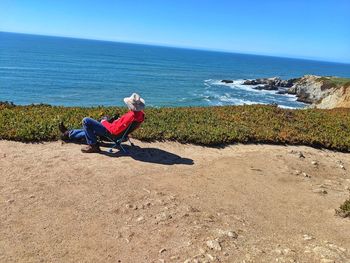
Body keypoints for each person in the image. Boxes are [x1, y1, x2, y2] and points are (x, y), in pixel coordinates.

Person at [59, 93, 145, 153]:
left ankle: (93, 145)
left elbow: (114, 130)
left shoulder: (130, 116)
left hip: (112, 134)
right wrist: (116, 121)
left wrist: (104, 122)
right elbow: (124, 126)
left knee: (86, 121)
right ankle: (68, 133)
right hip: (121, 134)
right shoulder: (140, 114)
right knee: (92, 128)